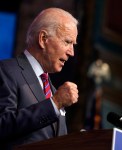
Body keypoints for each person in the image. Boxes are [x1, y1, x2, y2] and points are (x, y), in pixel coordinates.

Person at [0, 7, 79, 150]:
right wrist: (55, 104)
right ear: (43, 39)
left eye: (73, 45)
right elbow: (2, 125)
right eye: (67, 42)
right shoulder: (6, 71)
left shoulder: (53, 91)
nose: (71, 52)